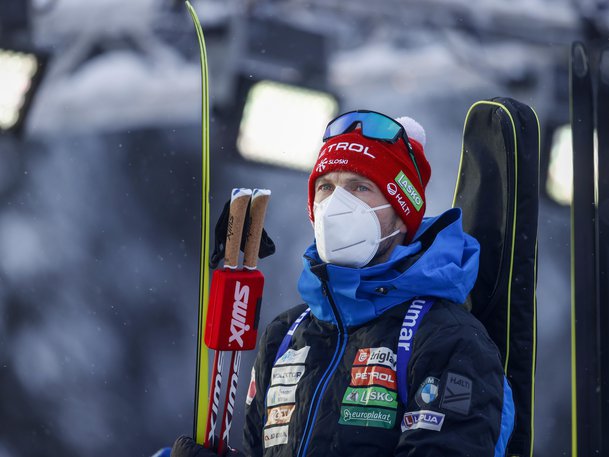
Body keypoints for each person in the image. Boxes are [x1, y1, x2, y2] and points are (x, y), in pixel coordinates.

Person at [169, 110, 514, 457]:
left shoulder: (449, 339)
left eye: (359, 187)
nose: (336, 204)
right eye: (326, 187)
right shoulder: (285, 336)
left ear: (400, 210)